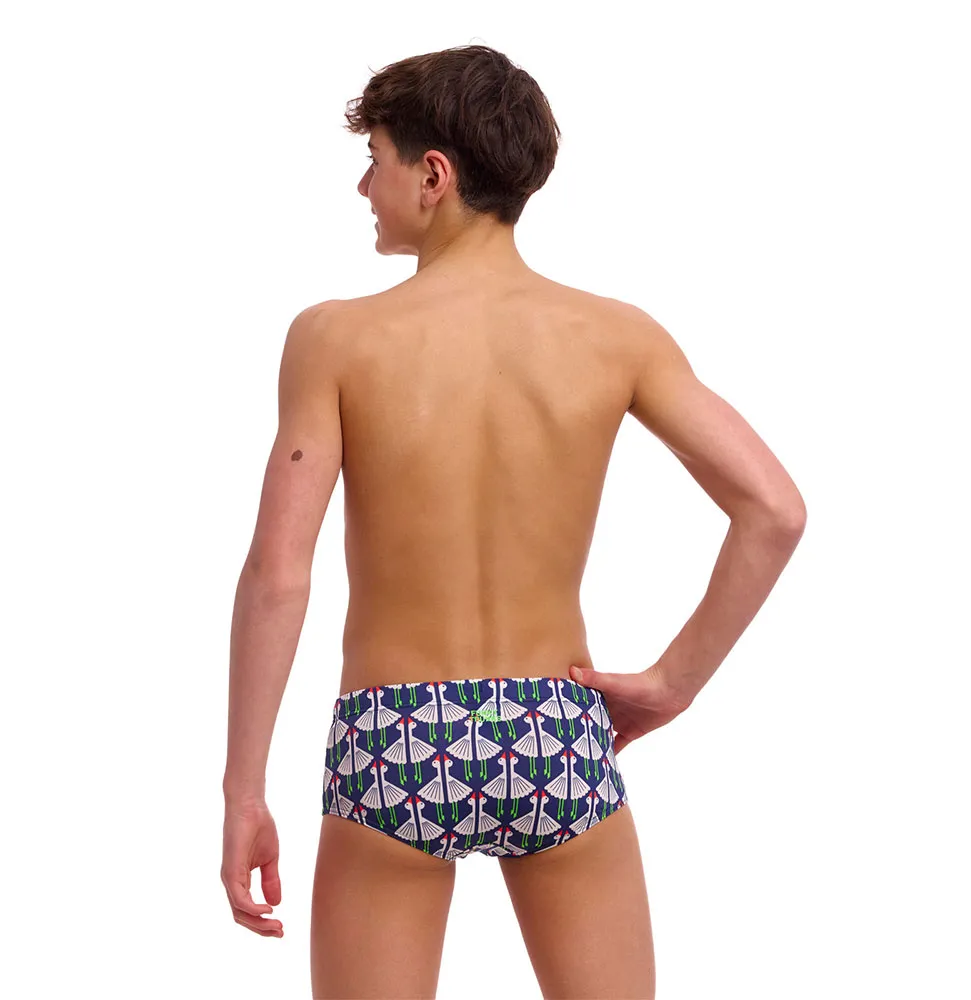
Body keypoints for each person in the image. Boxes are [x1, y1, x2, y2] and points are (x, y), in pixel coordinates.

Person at [221, 43, 806, 1000]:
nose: (364, 187)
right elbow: (774, 509)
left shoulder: (335, 337)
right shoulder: (616, 336)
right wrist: (672, 685)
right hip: (554, 725)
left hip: (396, 733)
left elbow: (278, 573)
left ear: (433, 175)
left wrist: (244, 789)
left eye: (374, 159)